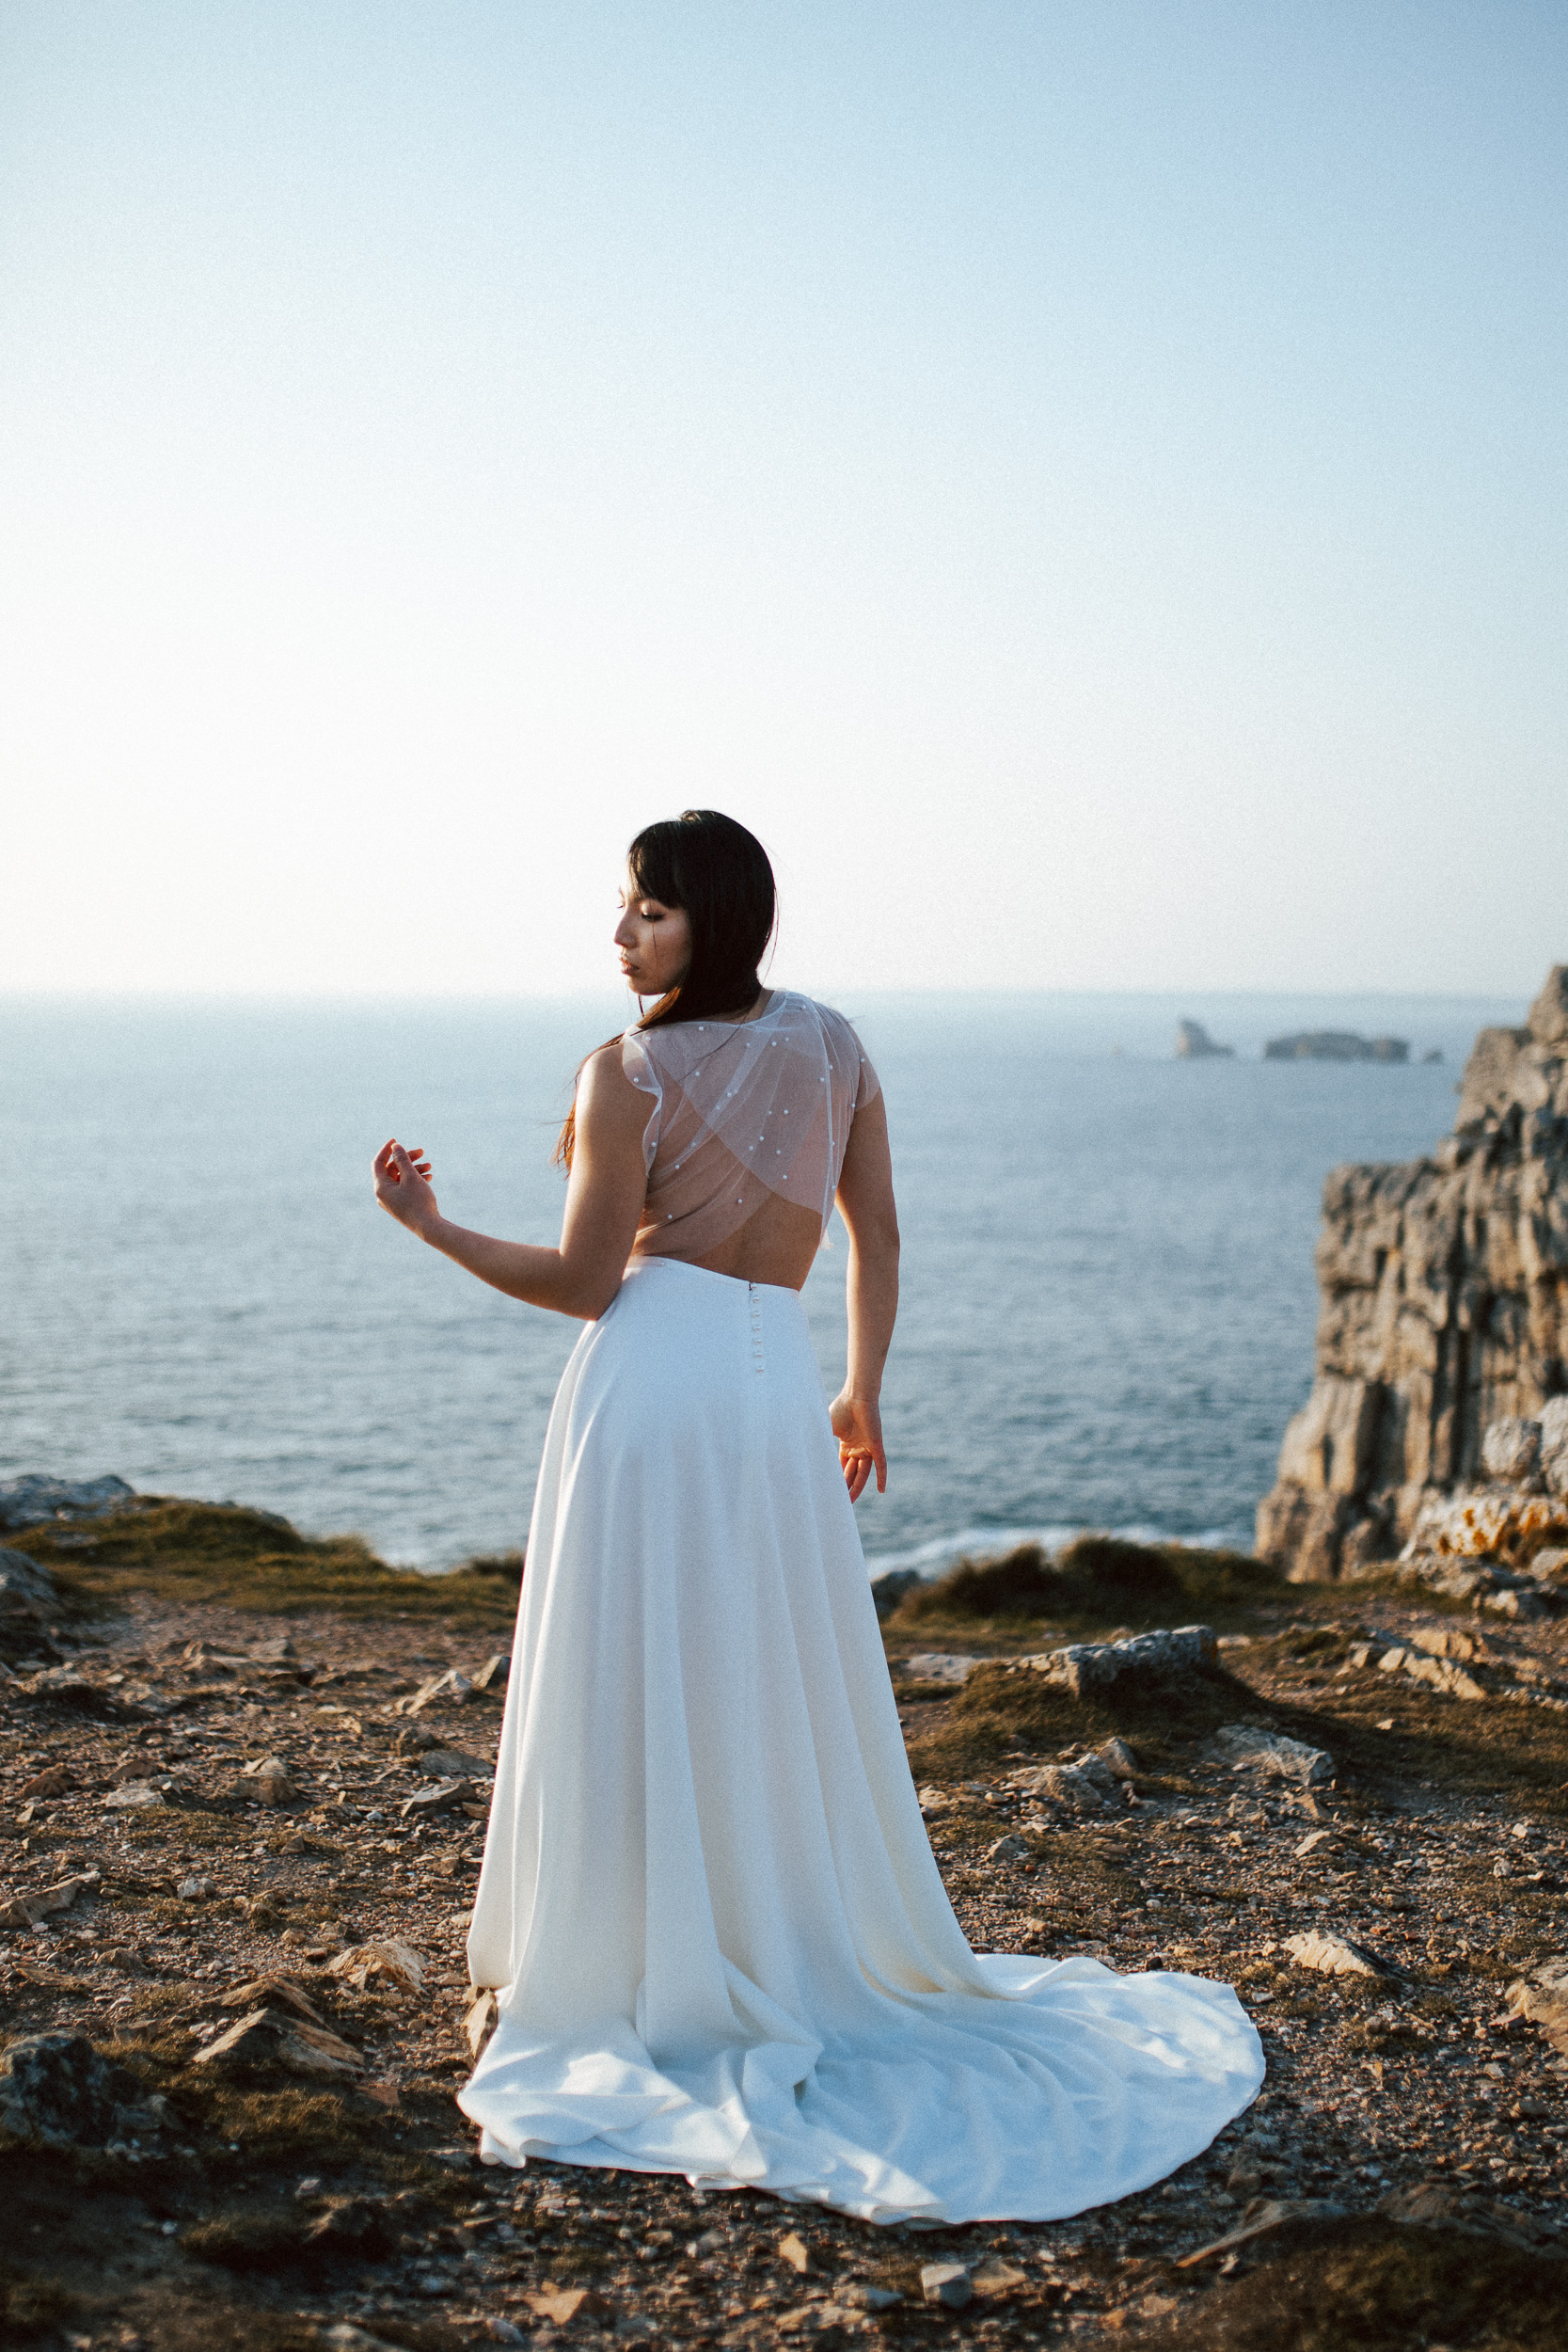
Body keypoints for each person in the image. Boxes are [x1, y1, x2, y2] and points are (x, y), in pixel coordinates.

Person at [372, 808, 1261, 2226]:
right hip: (770, 1381)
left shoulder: (626, 1072)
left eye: (647, 915)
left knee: (638, 1650)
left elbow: (590, 1280)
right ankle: (778, 1925)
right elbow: (879, 1233)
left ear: (710, 923)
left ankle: (628, 1938)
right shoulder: (836, 1043)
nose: (620, 936)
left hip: (652, 1383)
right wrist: (860, 1393)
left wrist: (434, 1230)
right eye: (622, 911)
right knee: (763, 1662)